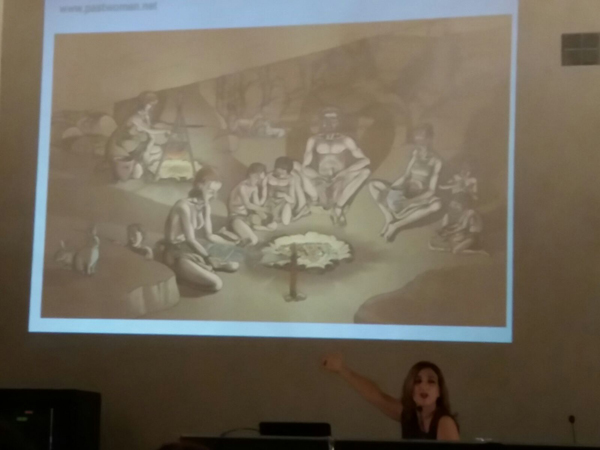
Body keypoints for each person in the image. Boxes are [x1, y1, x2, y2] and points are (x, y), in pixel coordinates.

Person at [321, 353, 460, 441]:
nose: (424, 386)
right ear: (410, 389)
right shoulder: (409, 415)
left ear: (439, 391)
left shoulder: (444, 422)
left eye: (431, 381)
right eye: (417, 381)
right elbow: (377, 397)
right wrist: (342, 369)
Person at [162, 167, 239, 292]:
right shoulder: (183, 206)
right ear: (199, 185)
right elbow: (190, 240)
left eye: (216, 192)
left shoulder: (205, 206)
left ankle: (204, 266)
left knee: (234, 264)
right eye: (210, 191)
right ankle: (186, 273)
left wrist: (232, 244)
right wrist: (208, 257)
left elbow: (210, 236)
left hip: (191, 248)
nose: (214, 196)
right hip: (175, 253)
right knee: (216, 284)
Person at [368, 123, 442, 241]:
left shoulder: (436, 161)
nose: (419, 141)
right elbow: (406, 175)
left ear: (429, 139)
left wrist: (411, 201)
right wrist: (394, 188)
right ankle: (388, 217)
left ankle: (396, 225)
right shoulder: (415, 154)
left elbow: (431, 190)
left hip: (419, 195)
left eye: (422, 137)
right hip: (404, 190)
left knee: (437, 205)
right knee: (373, 184)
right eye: (417, 137)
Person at [300, 108, 371, 226]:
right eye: (326, 119)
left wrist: (344, 172)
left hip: (340, 179)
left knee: (365, 172)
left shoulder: (346, 140)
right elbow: (304, 166)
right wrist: (318, 177)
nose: (329, 122)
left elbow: (365, 160)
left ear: (338, 122)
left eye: (333, 119)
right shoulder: (313, 140)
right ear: (322, 121)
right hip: (320, 179)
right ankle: (313, 200)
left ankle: (339, 207)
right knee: (296, 169)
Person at [106, 91, 170, 181]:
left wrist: (148, 120)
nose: (151, 109)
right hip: (122, 144)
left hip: (132, 142)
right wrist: (166, 130)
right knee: (146, 150)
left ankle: (148, 169)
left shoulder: (144, 117)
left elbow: (149, 129)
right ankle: (140, 168)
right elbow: (149, 130)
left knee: (154, 148)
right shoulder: (135, 117)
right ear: (142, 107)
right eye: (150, 106)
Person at [227, 162, 275, 246]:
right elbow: (248, 205)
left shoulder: (255, 188)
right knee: (253, 240)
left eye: (260, 180)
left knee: (273, 225)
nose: (258, 181)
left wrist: (265, 216)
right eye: (256, 178)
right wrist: (264, 209)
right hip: (236, 218)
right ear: (250, 174)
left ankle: (258, 227)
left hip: (247, 217)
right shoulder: (242, 187)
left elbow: (257, 205)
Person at [264, 157, 310, 226]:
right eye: (279, 171)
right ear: (275, 168)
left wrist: (284, 195)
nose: (281, 175)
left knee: (285, 221)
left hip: (284, 202)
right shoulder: (268, 176)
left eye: (283, 173)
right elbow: (263, 192)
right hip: (271, 202)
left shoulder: (291, 179)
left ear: (288, 172)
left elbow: (292, 200)